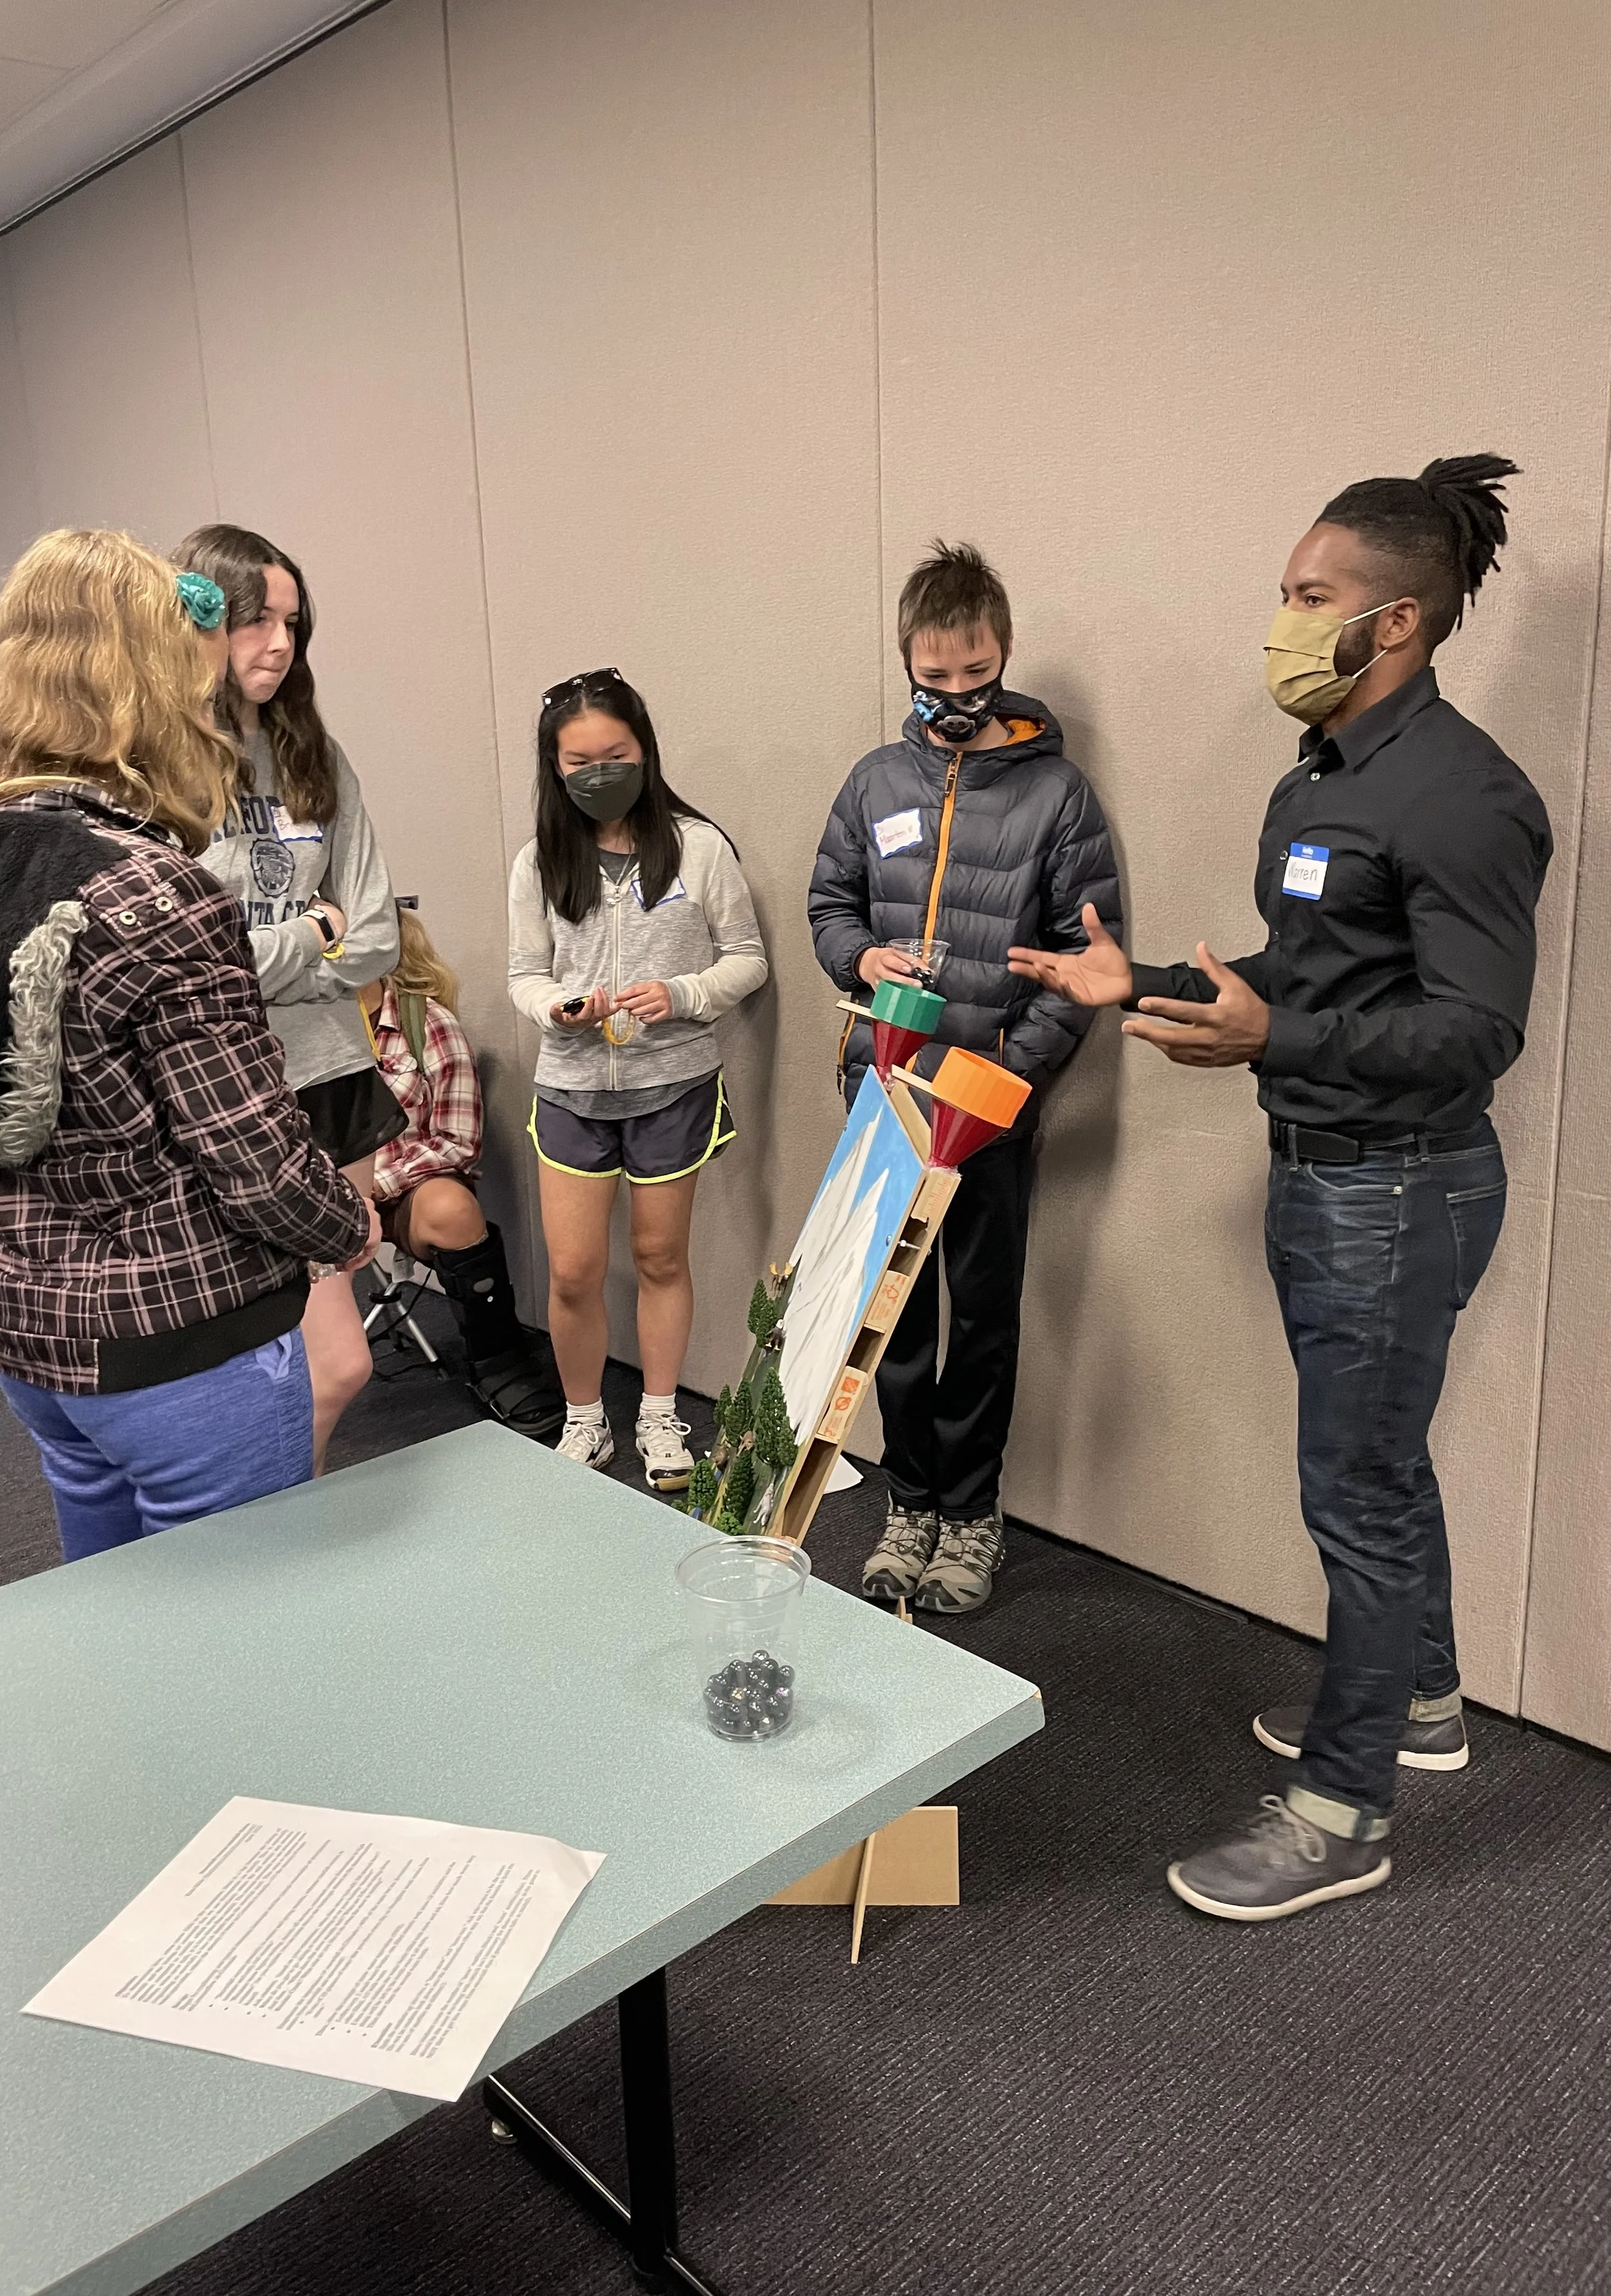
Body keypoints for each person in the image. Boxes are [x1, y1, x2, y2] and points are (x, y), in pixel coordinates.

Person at [1014, 456, 1552, 1921]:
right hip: (1327, 1177)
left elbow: (1476, 1027)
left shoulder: (1462, 796)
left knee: (1355, 1492)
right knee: (1374, 1471)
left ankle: (1339, 1808)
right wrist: (1167, 983)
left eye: (1306, 598)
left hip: (1398, 1186)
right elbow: (1303, 975)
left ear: (1392, 622)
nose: (1281, 622)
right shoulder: (1321, 776)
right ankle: (1421, 1700)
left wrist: (1278, 1035)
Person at [0, 531, 378, 1561]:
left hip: (31, 1345)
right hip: (182, 1345)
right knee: (236, 1642)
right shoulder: (151, 888)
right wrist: (347, 1222)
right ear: (150, 685)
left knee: (114, 1619)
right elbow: (255, 1162)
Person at [809, 541, 1120, 1614]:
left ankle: (972, 1516)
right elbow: (830, 905)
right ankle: (913, 1501)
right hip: (886, 1093)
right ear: (908, 662)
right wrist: (858, 957)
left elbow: (1088, 963)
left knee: (981, 1317)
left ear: (1003, 653)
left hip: (987, 1106)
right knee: (892, 1315)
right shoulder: (874, 782)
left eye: (972, 673)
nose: (954, 695)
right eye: (933, 677)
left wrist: (1010, 1078)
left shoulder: (1059, 796)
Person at [172, 524, 402, 1473]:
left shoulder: (314, 752)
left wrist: (281, 951)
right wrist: (312, 934)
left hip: (327, 1075)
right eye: (253, 620)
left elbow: (381, 934)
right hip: (225, 1096)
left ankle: (272, 1528)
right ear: (199, 624)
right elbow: (189, 964)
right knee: (298, 1366)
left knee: (325, 1366)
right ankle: (256, 1533)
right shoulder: (162, 764)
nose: (278, 644)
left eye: (292, 623)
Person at [508, 669, 767, 1486]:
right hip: (573, 1091)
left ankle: (660, 1415)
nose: (596, 774)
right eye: (576, 762)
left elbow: (747, 963)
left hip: (675, 1084)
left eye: (613, 755)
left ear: (645, 750)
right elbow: (524, 973)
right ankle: (585, 1420)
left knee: (661, 1257)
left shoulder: (698, 848)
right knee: (575, 1269)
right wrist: (558, 1007)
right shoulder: (538, 862)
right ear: (553, 768)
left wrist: (683, 994)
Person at [364, 905, 564, 1434]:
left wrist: (370, 1186)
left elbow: (456, 1144)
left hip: (394, 1188)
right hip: (306, 1192)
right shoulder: (289, 1026)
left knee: (453, 1208)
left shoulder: (425, 1023)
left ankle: (498, 1358)